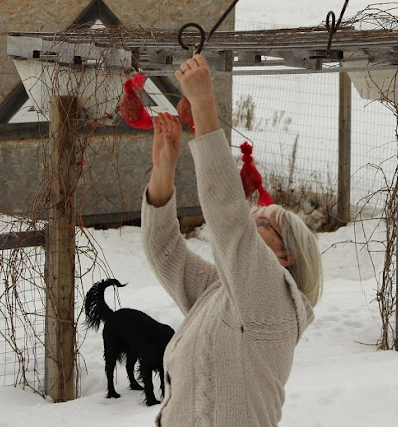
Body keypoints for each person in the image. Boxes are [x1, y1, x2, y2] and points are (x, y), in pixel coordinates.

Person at [141, 54, 323, 426]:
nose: (249, 226)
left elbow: (228, 220)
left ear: (285, 257)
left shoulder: (274, 298)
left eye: (260, 225)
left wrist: (205, 107)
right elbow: (165, 253)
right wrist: (164, 172)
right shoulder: (219, 293)